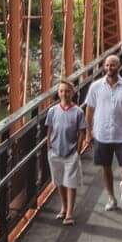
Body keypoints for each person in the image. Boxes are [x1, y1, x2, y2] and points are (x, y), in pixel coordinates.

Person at [82, 52, 122, 211]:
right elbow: (89, 109)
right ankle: (111, 198)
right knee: (106, 167)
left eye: (112, 65)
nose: (109, 67)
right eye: (107, 65)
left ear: (119, 66)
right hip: (101, 134)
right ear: (104, 67)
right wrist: (88, 132)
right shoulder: (95, 86)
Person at [44, 79, 87, 224]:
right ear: (58, 93)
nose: (64, 94)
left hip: (71, 152)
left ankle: (69, 213)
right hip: (55, 152)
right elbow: (49, 130)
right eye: (61, 91)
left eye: (67, 91)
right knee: (59, 182)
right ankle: (63, 207)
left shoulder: (78, 112)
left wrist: (78, 151)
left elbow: (82, 132)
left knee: (71, 182)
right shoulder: (52, 111)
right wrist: (49, 147)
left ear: (73, 93)